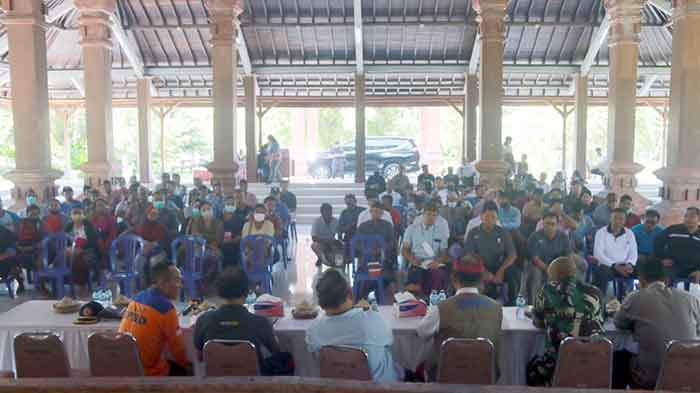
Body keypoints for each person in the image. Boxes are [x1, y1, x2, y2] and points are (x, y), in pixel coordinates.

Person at [613, 258, 700, 389]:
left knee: (619, 352)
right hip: (690, 374)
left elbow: (619, 323)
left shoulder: (636, 297)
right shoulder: (690, 298)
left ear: (641, 279)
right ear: (666, 279)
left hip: (651, 379)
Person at [416, 256, 502, 379]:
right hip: (485, 377)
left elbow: (421, 332)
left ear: (453, 278)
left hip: (446, 378)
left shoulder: (441, 308)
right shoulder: (496, 308)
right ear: (482, 279)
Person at [306, 269, 399, 383]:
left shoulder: (314, 329)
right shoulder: (370, 320)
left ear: (321, 302)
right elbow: (389, 340)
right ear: (350, 293)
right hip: (379, 388)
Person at [530, 256, 604, 386]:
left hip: (557, 364)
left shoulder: (547, 290)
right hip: (591, 364)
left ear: (555, 275)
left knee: (532, 368)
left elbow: (539, 322)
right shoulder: (595, 292)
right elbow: (599, 320)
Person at [193, 267, 282, 370]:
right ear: (247, 291)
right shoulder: (260, 322)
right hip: (254, 383)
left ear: (219, 292)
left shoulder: (203, 320)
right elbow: (276, 352)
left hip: (216, 382)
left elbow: (200, 357)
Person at [119, 262, 190, 376]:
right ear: (162, 283)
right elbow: (178, 350)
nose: (180, 285)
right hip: (147, 372)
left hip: (124, 366)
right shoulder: (165, 309)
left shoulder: (138, 297)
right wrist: (187, 365)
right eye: (177, 280)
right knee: (189, 372)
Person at [463, 201, 517, 303]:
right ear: (481, 217)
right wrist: (484, 271)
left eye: (493, 217)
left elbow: (512, 254)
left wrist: (501, 270)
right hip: (479, 266)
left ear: (497, 218)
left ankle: (511, 305)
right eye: (487, 216)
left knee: (513, 274)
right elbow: (469, 255)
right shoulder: (473, 232)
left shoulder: (503, 232)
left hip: (499, 266)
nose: (490, 220)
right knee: (470, 273)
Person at [402, 202, 449, 293]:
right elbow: (404, 250)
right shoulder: (411, 229)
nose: (431, 217)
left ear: (437, 217)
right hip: (417, 262)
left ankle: (432, 301)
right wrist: (412, 259)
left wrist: (437, 262)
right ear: (423, 215)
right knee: (414, 284)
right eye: (428, 214)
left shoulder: (441, 231)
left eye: (434, 215)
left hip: (434, 262)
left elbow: (444, 253)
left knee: (437, 275)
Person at [526, 212, 572, 303]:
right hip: (539, 265)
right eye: (547, 223)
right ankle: (534, 304)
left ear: (557, 225)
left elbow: (567, 257)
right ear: (542, 223)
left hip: (557, 265)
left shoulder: (563, 237)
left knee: (572, 271)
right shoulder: (535, 236)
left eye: (552, 224)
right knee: (536, 274)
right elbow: (535, 259)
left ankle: (567, 303)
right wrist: (550, 270)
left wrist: (560, 269)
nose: (550, 226)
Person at [592, 208, 638, 297]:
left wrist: (630, 264)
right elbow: (598, 254)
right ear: (610, 218)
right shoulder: (601, 232)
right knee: (602, 272)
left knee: (643, 270)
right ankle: (600, 300)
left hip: (625, 265)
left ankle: (629, 301)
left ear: (624, 221)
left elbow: (633, 252)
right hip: (607, 266)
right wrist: (614, 265)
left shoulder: (629, 233)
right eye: (615, 218)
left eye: (621, 219)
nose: (617, 221)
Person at [653, 207, 700, 283]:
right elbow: (657, 241)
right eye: (686, 216)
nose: (687, 219)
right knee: (665, 286)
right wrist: (662, 258)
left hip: (694, 269)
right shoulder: (673, 229)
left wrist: (699, 270)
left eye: (692, 216)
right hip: (673, 266)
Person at [65, 206, 99, 296]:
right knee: (66, 257)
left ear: (83, 215)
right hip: (71, 251)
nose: (77, 216)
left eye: (79, 213)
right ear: (71, 215)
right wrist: (69, 248)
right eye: (74, 213)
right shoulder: (68, 226)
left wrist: (82, 249)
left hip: (88, 252)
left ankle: (81, 284)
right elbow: (64, 240)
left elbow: (93, 242)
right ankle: (68, 283)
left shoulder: (88, 226)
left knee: (78, 259)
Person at [133, 205, 169, 286]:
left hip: (158, 251)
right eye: (151, 214)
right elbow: (139, 238)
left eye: (155, 214)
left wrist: (153, 245)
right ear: (147, 215)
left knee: (153, 262)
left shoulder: (161, 226)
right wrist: (144, 244)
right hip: (144, 250)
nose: (153, 216)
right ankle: (142, 287)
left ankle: (154, 286)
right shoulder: (142, 225)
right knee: (138, 261)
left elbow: (164, 241)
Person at [221, 196, 247, 268]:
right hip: (220, 244)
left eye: (232, 204)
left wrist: (231, 241)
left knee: (231, 250)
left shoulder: (240, 219)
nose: (230, 206)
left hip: (235, 245)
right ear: (224, 205)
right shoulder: (219, 218)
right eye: (228, 204)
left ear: (235, 206)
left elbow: (241, 235)